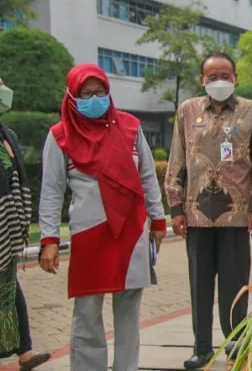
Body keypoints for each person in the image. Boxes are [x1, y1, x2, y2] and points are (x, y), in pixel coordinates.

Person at [38, 64, 167, 370]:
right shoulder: (59, 136)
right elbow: (52, 190)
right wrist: (49, 239)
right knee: (87, 313)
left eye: (100, 92)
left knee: (128, 315)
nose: (94, 99)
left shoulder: (131, 128)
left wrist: (158, 220)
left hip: (132, 231)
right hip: (89, 234)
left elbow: (148, 177)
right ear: (72, 96)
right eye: (86, 93)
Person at [164, 52, 252, 369]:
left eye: (225, 74)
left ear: (235, 77)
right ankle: (201, 348)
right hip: (196, 215)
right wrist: (175, 206)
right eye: (212, 76)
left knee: (233, 285)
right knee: (199, 285)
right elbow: (177, 159)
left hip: (237, 215)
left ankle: (235, 344)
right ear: (202, 80)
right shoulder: (187, 111)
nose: (219, 80)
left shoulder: (251, 111)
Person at [0, 78, 51, 370]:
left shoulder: (7, 135)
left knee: (10, 288)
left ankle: (25, 352)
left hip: (6, 226)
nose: (4, 90)